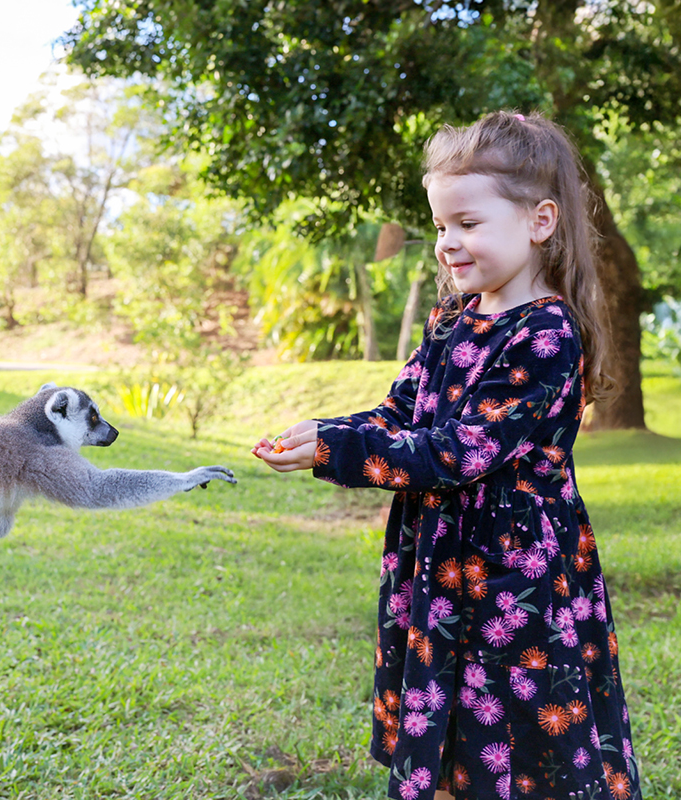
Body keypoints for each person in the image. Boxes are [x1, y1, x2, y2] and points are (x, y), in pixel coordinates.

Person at [252, 111, 640, 800]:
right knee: (451, 722)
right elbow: (400, 416)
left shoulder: (545, 335)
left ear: (539, 221)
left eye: (466, 223)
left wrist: (339, 450)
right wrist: (321, 433)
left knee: (520, 730)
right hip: (440, 556)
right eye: (438, 226)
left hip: (509, 574)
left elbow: (458, 454)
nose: (446, 244)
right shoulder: (452, 320)